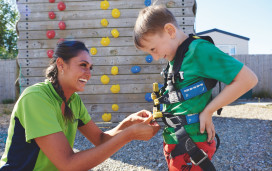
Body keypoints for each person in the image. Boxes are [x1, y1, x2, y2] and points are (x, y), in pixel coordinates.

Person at [0, 41, 160, 170]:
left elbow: (100, 139)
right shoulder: (36, 98)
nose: (88, 73)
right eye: (83, 65)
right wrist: (129, 135)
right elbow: (68, 164)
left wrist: (128, 123)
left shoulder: (73, 100)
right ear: (61, 65)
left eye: (90, 68)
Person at [133, 5, 258, 171]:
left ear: (170, 31)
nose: (155, 57)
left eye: (153, 49)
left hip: (191, 144)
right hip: (176, 141)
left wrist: (208, 110)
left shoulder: (198, 50)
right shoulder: (175, 57)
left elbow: (248, 79)